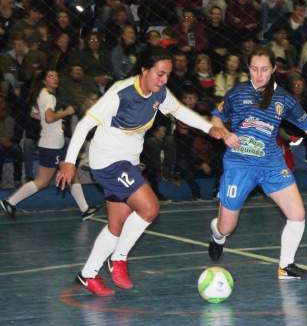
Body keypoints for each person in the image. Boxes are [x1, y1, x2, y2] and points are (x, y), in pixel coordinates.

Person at [55, 48, 224, 296]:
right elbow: (84, 125)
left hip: (128, 161)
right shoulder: (120, 93)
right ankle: (119, 259)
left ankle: (88, 274)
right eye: (159, 74)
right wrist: (69, 161)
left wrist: (209, 128)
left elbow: (179, 111)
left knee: (116, 224)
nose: (164, 80)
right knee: (150, 208)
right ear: (144, 70)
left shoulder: (160, 93)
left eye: (167, 75)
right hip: (109, 160)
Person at [207, 48, 307, 279]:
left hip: (271, 163)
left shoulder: (284, 99)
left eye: (265, 69)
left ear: (274, 70)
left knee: (297, 214)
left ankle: (285, 266)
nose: (259, 75)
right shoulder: (237, 93)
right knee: (227, 227)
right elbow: (216, 117)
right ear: (248, 69)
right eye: (254, 69)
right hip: (240, 164)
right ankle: (217, 234)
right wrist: (225, 133)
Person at [0, 70, 97, 220]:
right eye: (51, 76)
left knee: (71, 174)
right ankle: (9, 202)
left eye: (56, 76)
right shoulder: (48, 96)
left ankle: (85, 209)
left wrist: (55, 121)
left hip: (55, 143)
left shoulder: (44, 95)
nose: (55, 78)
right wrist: (66, 113)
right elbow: (50, 117)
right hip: (52, 145)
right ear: (44, 81)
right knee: (43, 181)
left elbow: (38, 115)